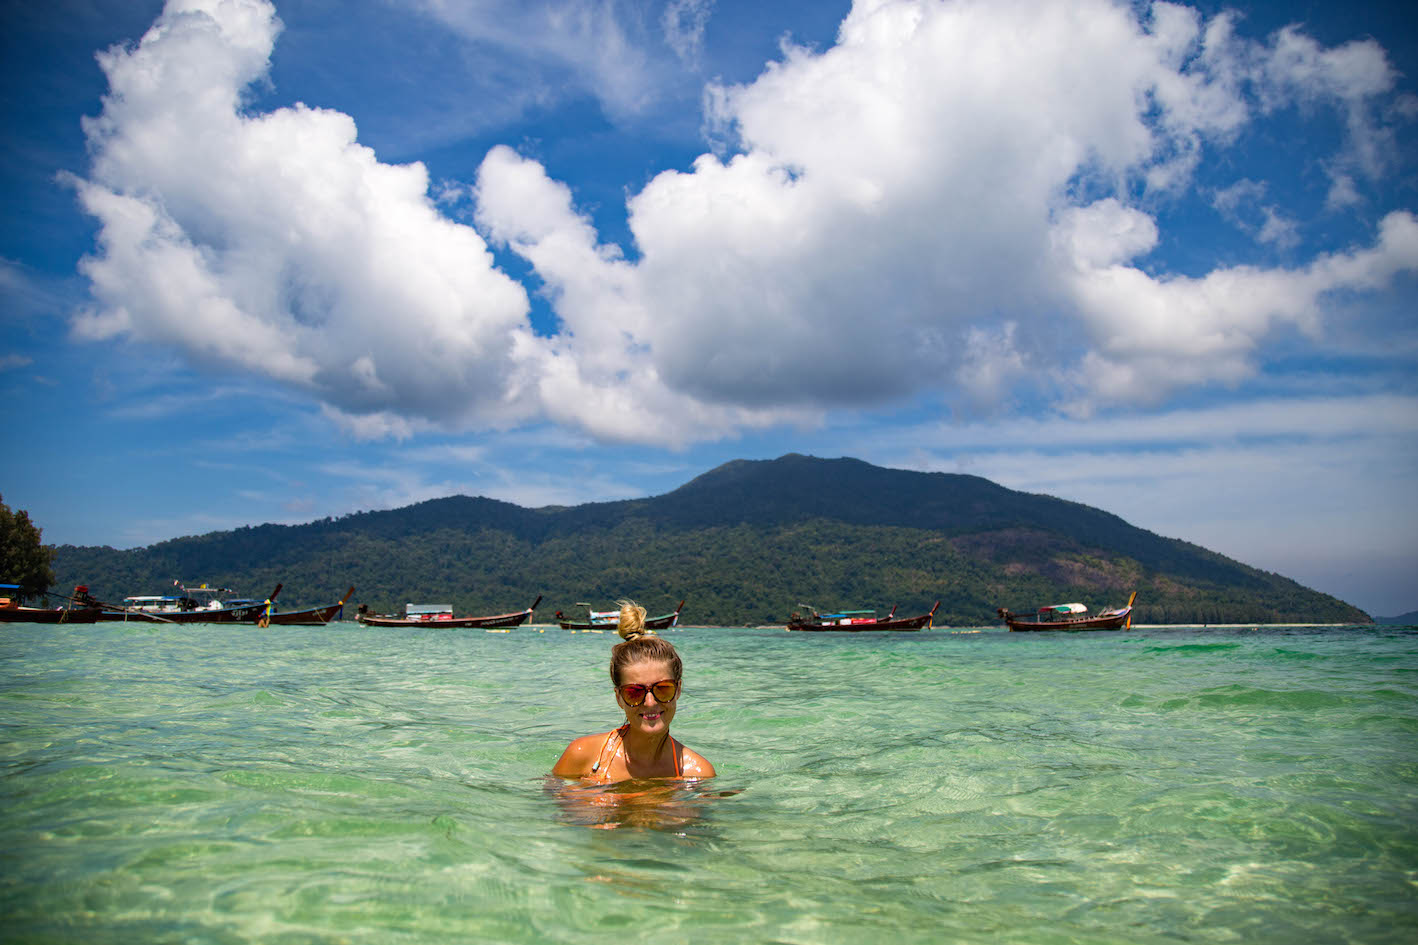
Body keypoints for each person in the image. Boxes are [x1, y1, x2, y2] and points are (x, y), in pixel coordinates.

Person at [552, 601, 715, 781]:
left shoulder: (697, 774)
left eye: (663, 689)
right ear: (619, 698)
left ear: (678, 690)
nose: (650, 702)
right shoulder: (583, 756)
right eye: (635, 692)